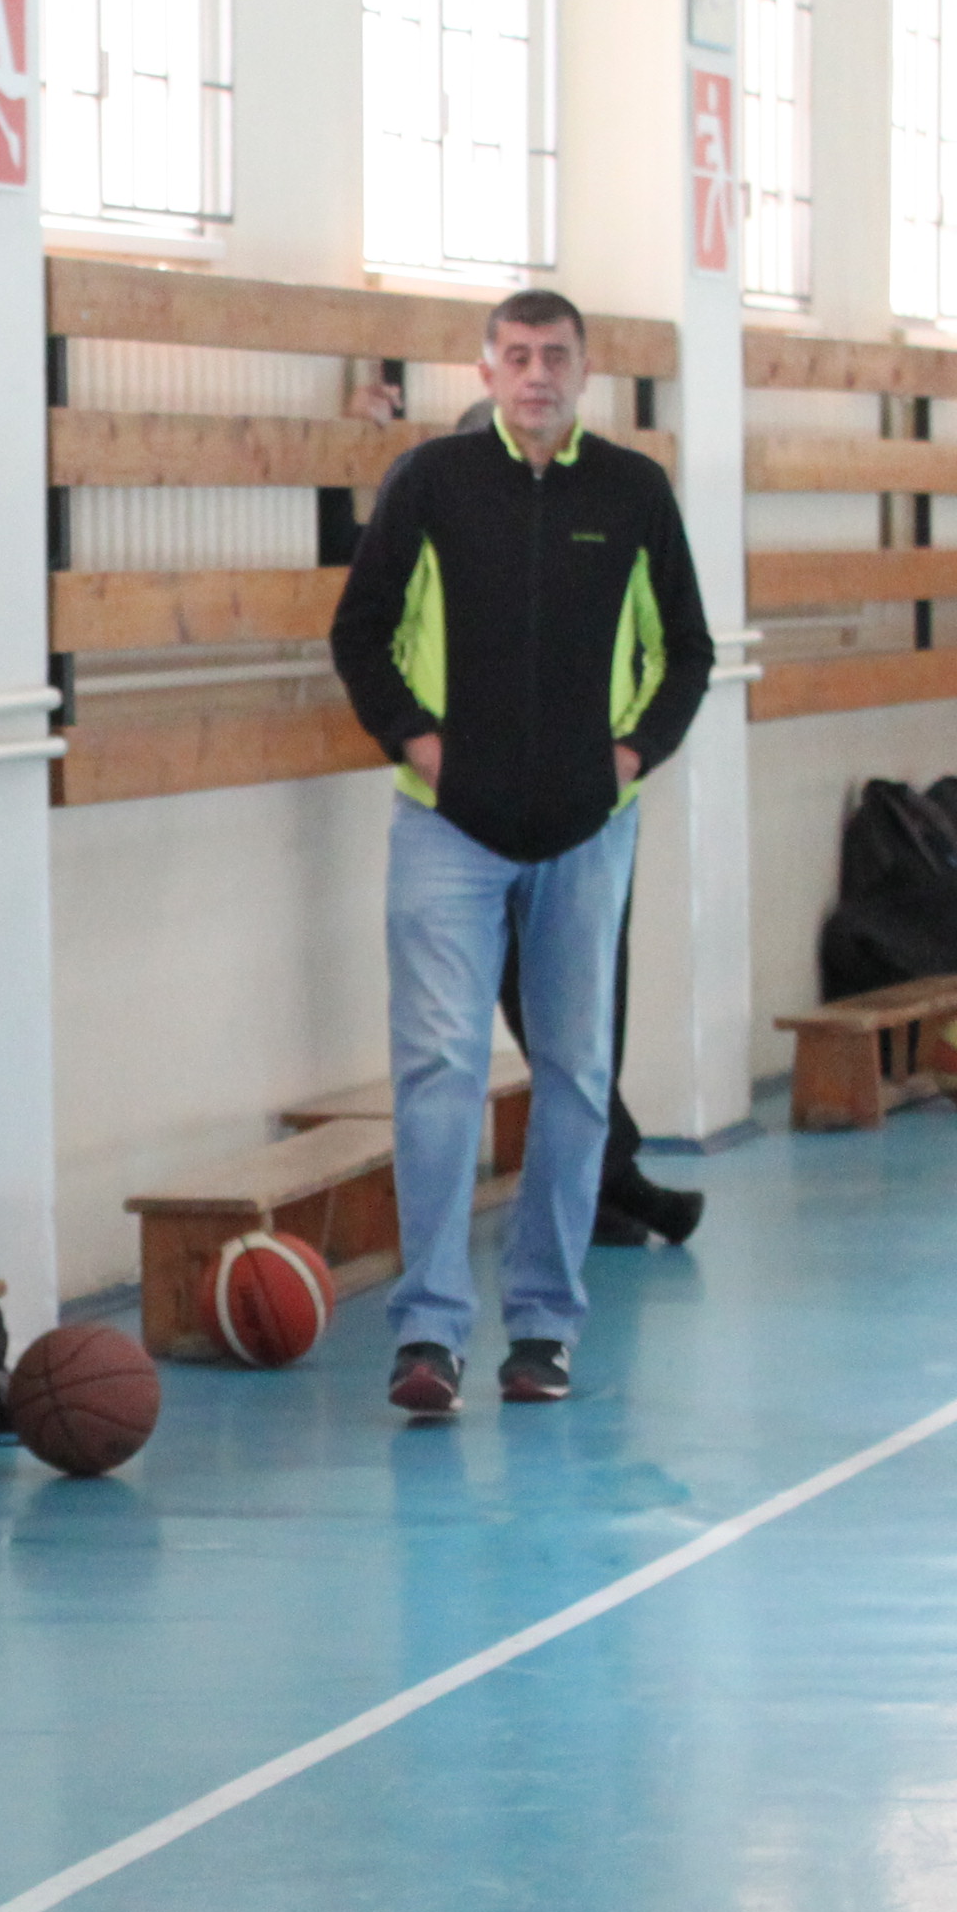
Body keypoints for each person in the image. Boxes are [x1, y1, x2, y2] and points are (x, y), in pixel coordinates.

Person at [329, 289, 717, 1419]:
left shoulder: (634, 492)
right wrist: (426, 750)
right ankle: (429, 1333)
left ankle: (543, 1325)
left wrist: (626, 761)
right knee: (441, 1069)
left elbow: (687, 651)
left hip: (589, 834)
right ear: (488, 371)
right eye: (517, 355)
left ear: (585, 372)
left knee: (578, 1074)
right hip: (445, 829)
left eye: (555, 355)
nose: (537, 373)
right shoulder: (429, 482)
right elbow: (361, 633)